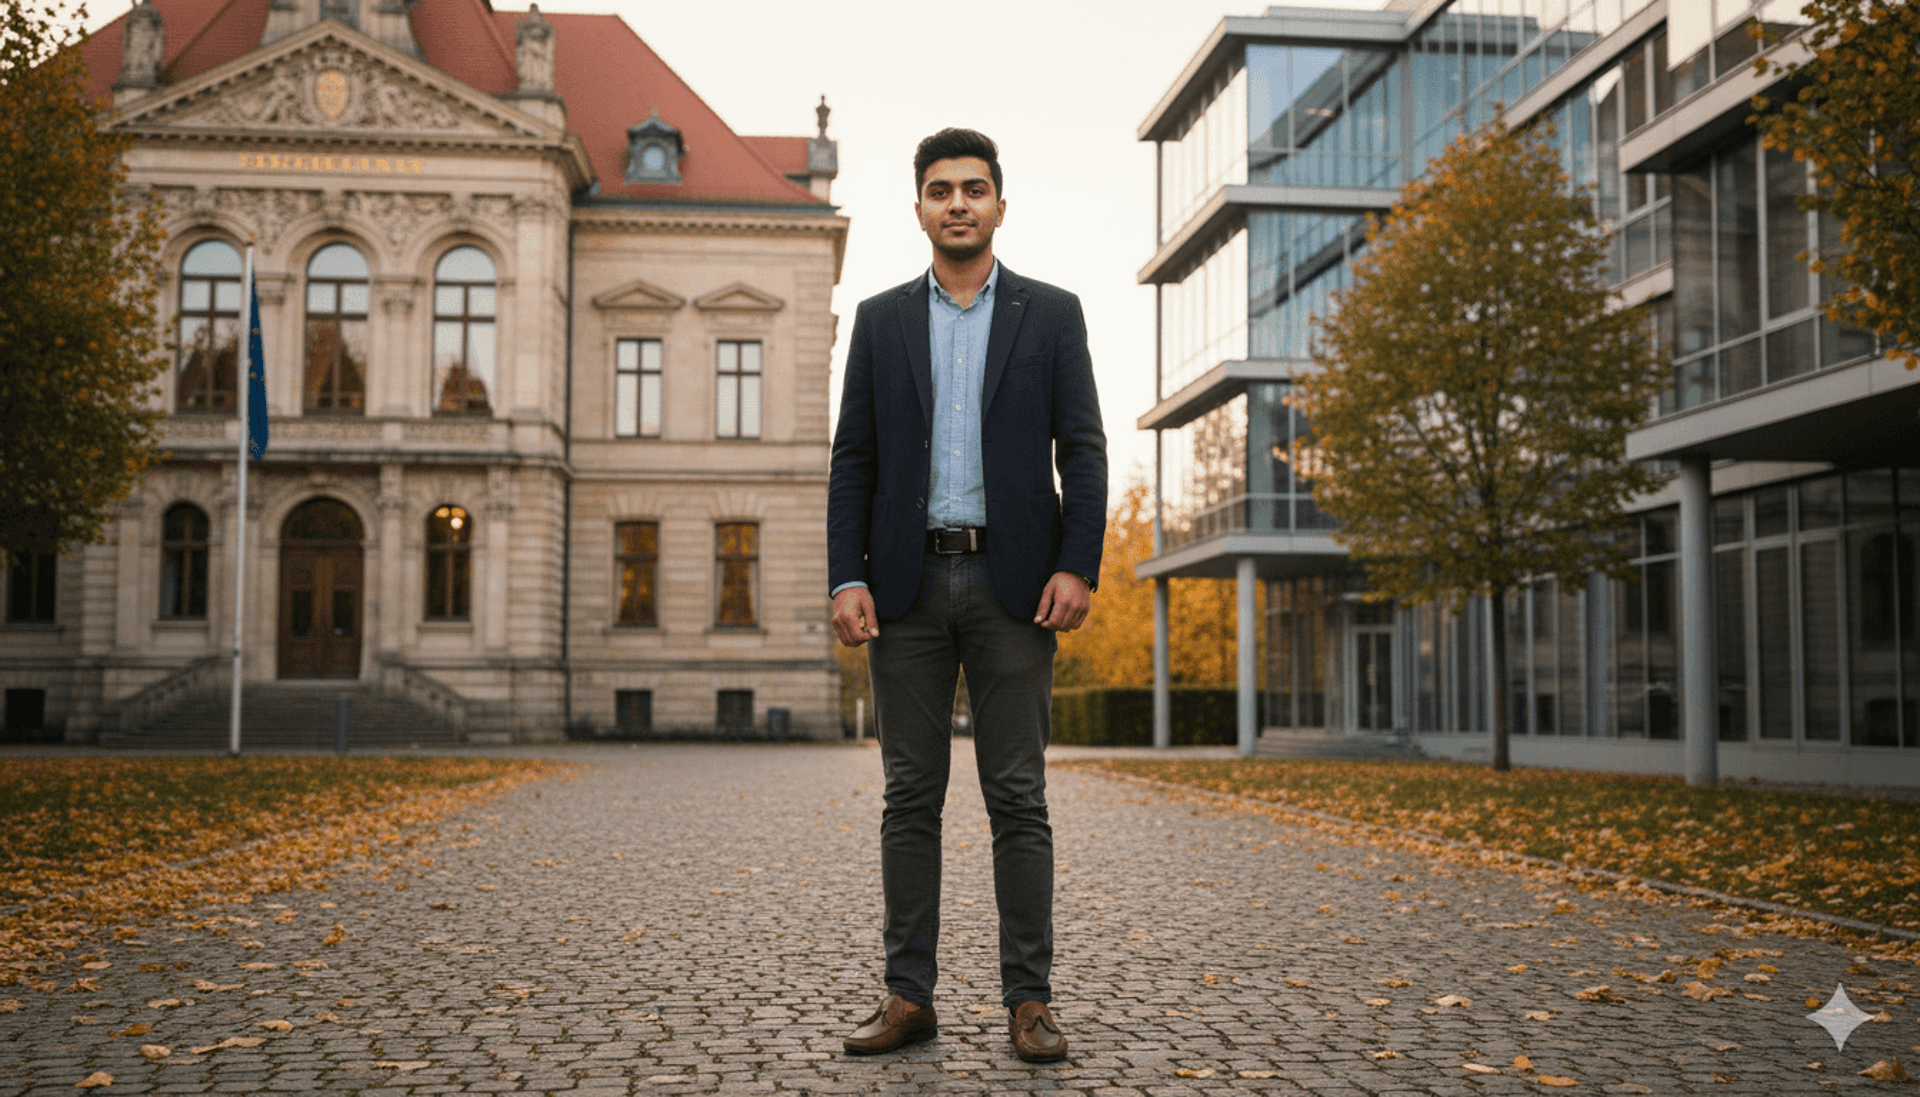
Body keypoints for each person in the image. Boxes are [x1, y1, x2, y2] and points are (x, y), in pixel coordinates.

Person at [826, 127, 1107, 1063]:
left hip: (1015, 584)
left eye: (973, 189)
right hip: (904, 590)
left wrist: (1079, 562)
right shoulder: (879, 319)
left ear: (998, 204)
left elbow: (1086, 449)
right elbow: (853, 460)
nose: (958, 203)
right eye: (940, 189)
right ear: (919, 208)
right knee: (910, 797)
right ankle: (910, 996)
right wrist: (848, 572)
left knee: (1018, 797)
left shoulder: (1052, 314)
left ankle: (1029, 1000)